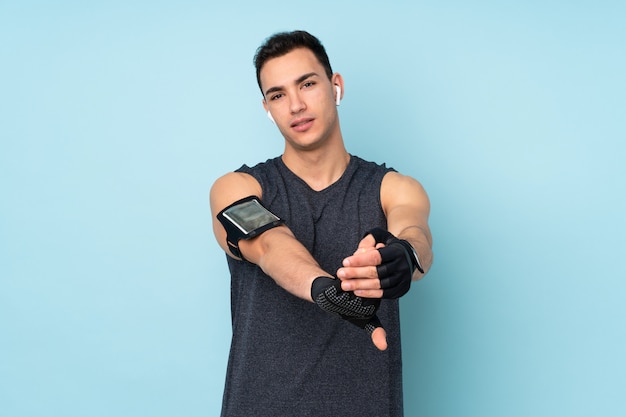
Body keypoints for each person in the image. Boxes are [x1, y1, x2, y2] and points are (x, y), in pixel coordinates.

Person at [210, 30, 433, 417]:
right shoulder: (237, 188)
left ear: (335, 86)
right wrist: (324, 290)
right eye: (278, 94)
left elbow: (416, 232)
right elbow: (268, 244)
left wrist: (402, 256)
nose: (295, 105)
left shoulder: (393, 188)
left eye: (307, 84)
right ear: (267, 107)